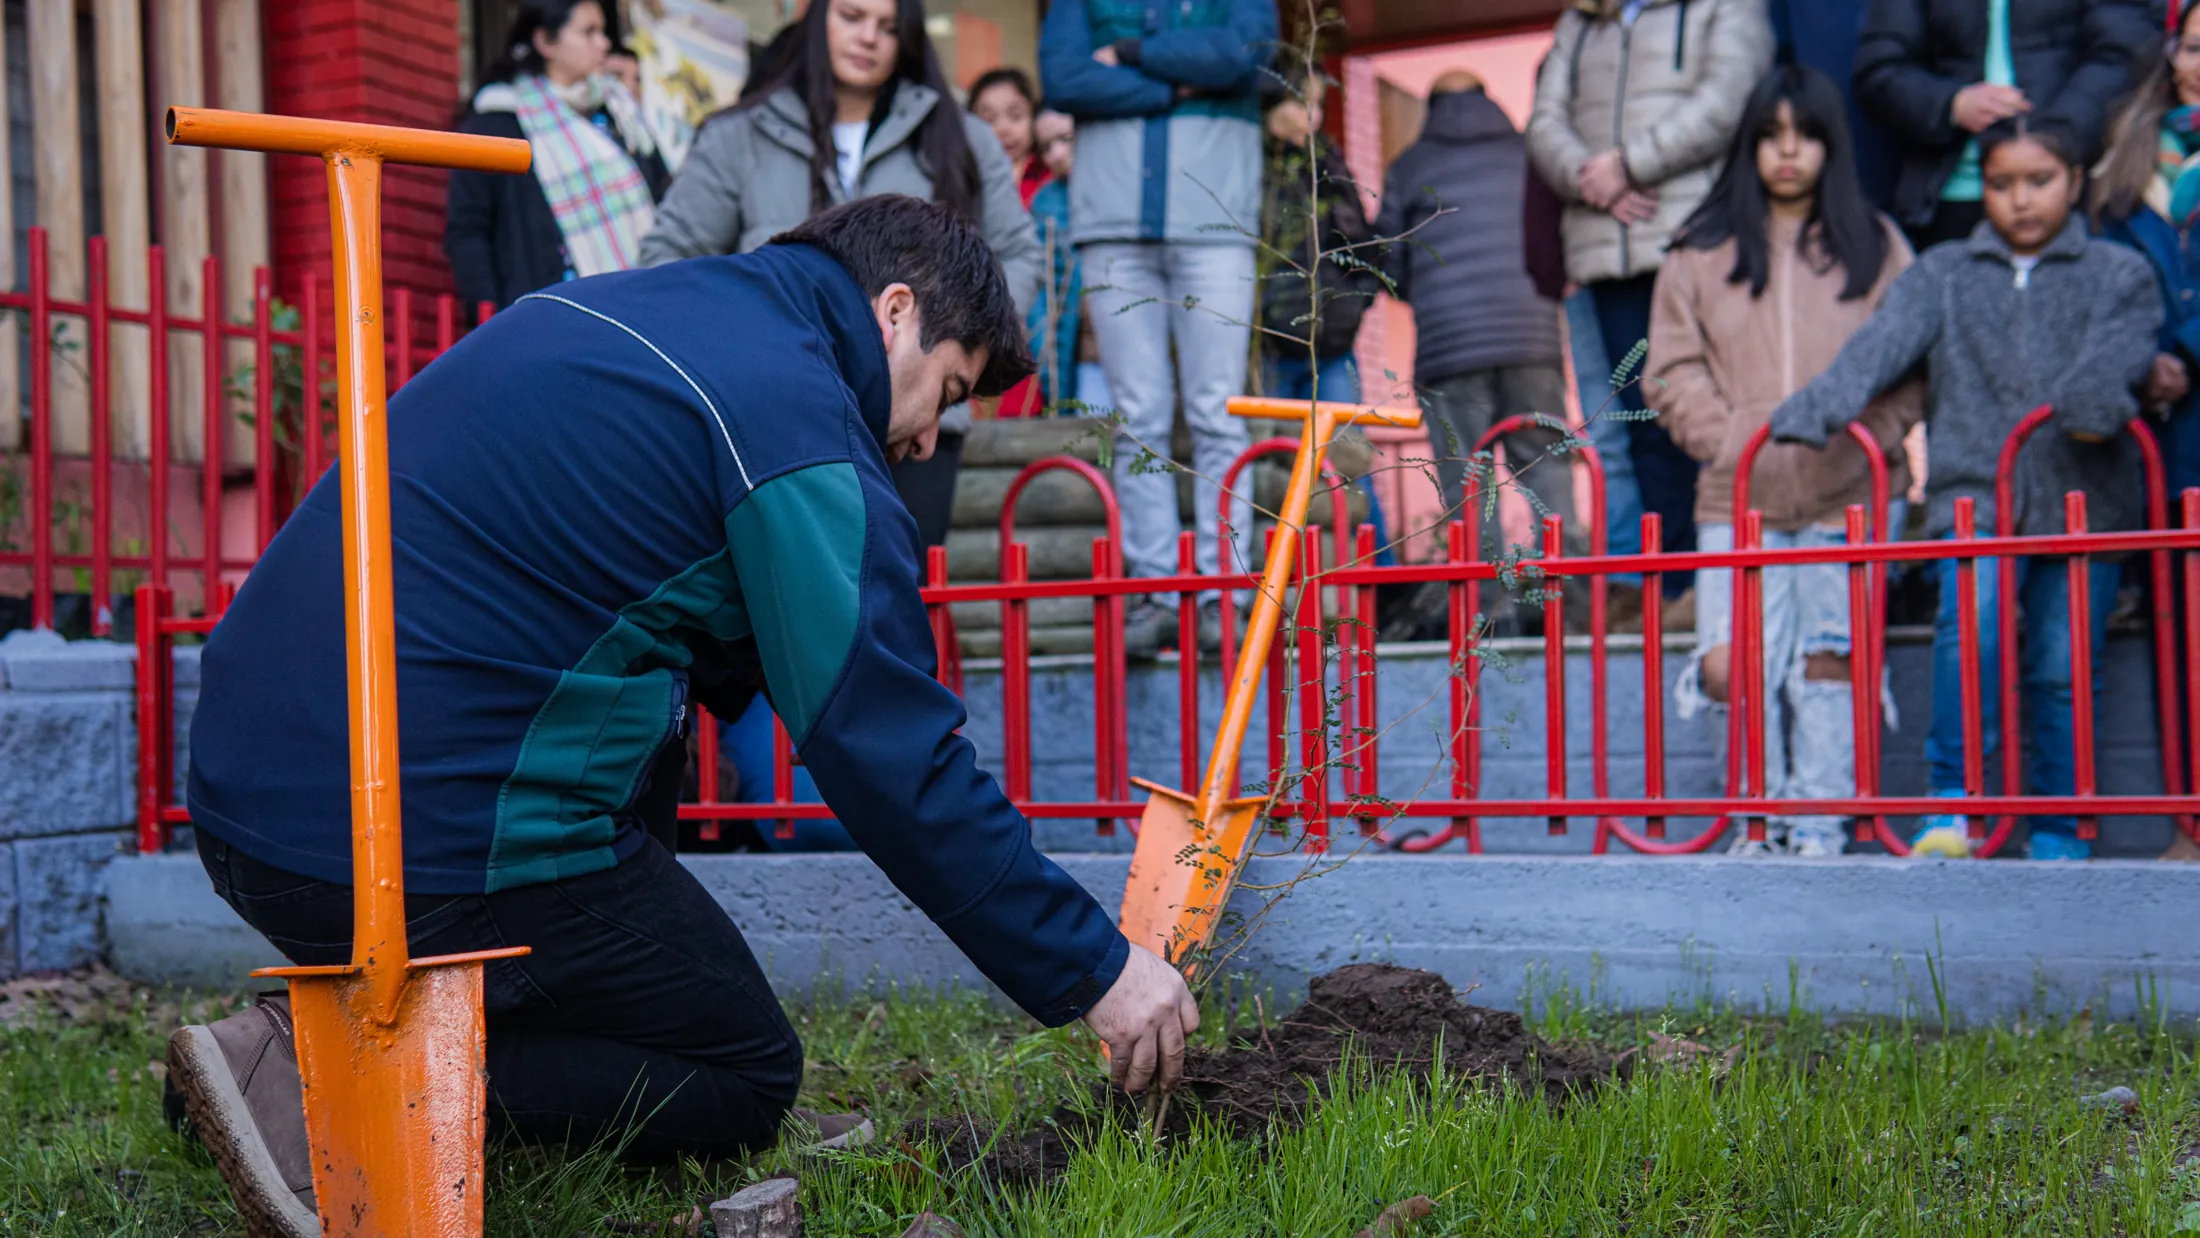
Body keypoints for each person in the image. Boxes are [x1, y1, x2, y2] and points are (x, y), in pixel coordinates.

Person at [165, 196, 1198, 1238]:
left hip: (251, 804)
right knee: (741, 1067)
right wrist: (1093, 970)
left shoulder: (654, 314)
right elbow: (885, 744)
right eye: (947, 390)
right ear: (894, 311)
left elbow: (657, 642)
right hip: (403, 839)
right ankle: (310, 1079)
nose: (927, 437)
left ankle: (274, 1067)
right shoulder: (793, 415)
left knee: (639, 903)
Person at [1771, 117, 2163, 861]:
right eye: (1999, 183)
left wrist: (2098, 397)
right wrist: (1816, 408)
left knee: (2061, 664)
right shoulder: (1945, 272)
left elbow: (2119, 352)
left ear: (2076, 182)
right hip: (1975, 499)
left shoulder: (2118, 271)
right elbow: (1880, 348)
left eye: (2039, 181)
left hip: (2087, 506)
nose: (2019, 200)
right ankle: (1953, 804)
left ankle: (2062, 819)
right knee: (1970, 642)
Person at [636, 0, 1042, 552]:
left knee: (900, 603)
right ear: (816, 19)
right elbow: (671, 259)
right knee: (782, 615)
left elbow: (1019, 251)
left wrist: (960, 346)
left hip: (918, 424)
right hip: (776, 421)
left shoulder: (964, 137)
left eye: (888, 27)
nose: (868, 37)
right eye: (852, 16)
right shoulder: (741, 135)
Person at [1648, 66, 1922, 858]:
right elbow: (1669, 367)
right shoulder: (1700, 253)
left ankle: (1820, 833)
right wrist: (1734, 437)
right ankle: (1757, 826)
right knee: (1738, 666)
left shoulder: (1876, 243)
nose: (1789, 151)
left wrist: (1862, 432)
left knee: (1832, 664)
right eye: (1771, 135)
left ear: (1832, 145)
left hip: (1853, 494)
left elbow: (1910, 366)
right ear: (1750, 146)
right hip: (1738, 497)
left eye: (1806, 134)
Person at [1040, 0, 1276, 659]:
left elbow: (1247, 55)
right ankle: (1155, 592)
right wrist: (1185, 79)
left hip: (1216, 220)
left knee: (1215, 410)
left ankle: (1221, 591)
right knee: (1137, 414)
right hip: (1112, 224)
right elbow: (1064, 80)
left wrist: (1136, 56)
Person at [1526, 0, 1775, 621]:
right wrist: (1590, 177)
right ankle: (1670, 583)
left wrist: (1629, 165)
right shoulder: (1579, 22)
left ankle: (1722, 573)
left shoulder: (1726, 7)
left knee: (1710, 410)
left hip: (1699, 239)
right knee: (1638, 425)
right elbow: (1544, 120)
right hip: (1607, 250)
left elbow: (1731, 94)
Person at [1379, 71, 1576, 595]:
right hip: (1531, 338)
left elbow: (1388, 266)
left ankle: (1487, 609)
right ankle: (1561, 598)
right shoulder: (1528, 155)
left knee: (1467, 480)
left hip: (1450, 350)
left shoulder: (1411, 166)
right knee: (1547, 466)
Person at [2091, 0, 2200, 860]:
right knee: (2180, 618)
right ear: (2173, 58)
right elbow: (2101, 287)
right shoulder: (2130, 169)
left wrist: (2188, 350)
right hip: (2167, 434)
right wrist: (2148, 361)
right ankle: (2190, 823)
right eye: (2198, 48)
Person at [1854, 0, 2156, 251]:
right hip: (1950, 193)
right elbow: (1880, 70)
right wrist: (1951, 104)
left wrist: (2056, 136)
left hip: (2068, 188)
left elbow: (2124, 53)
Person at [446, 0, 670, 318]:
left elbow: (666, 201)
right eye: (588, 32)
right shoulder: (498, 123)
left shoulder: (621, 113)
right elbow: (468, 233)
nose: (603, 44)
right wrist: (491, 321)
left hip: (639, 310)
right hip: (549, 318)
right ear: (545, 42)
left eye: (602, 32)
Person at [1029, 109, 1089, 410]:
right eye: (1045, 147)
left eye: (1066, 139)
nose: (1056, 155)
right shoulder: (1044, 200)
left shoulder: (1114, 190)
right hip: (1064, 350)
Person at [970, 66, 1055, 207]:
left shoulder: (1051, 172)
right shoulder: (967, 179)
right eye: (988, 119)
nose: (1003, 129)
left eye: (1016, 116)